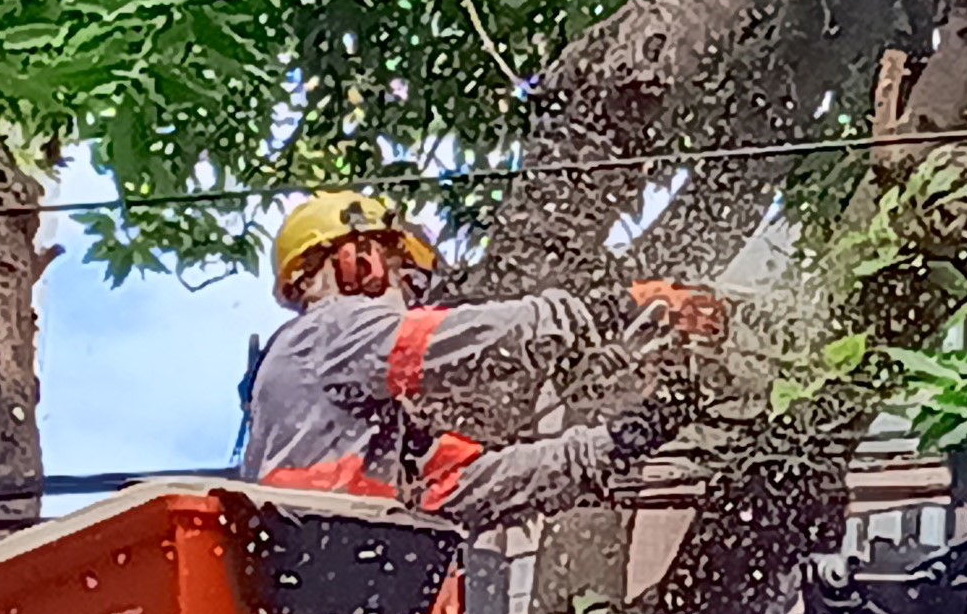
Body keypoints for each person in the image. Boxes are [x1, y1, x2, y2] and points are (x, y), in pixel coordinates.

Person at [240, 191, 720, 533]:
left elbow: (470, 485)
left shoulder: (372, 421)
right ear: (356, 260)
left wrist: (622, 439)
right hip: (321, 538)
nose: (410, 295)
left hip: (338, 557)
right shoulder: (330, 331)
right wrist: (617, 307)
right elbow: (472, 339)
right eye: (403, 274)